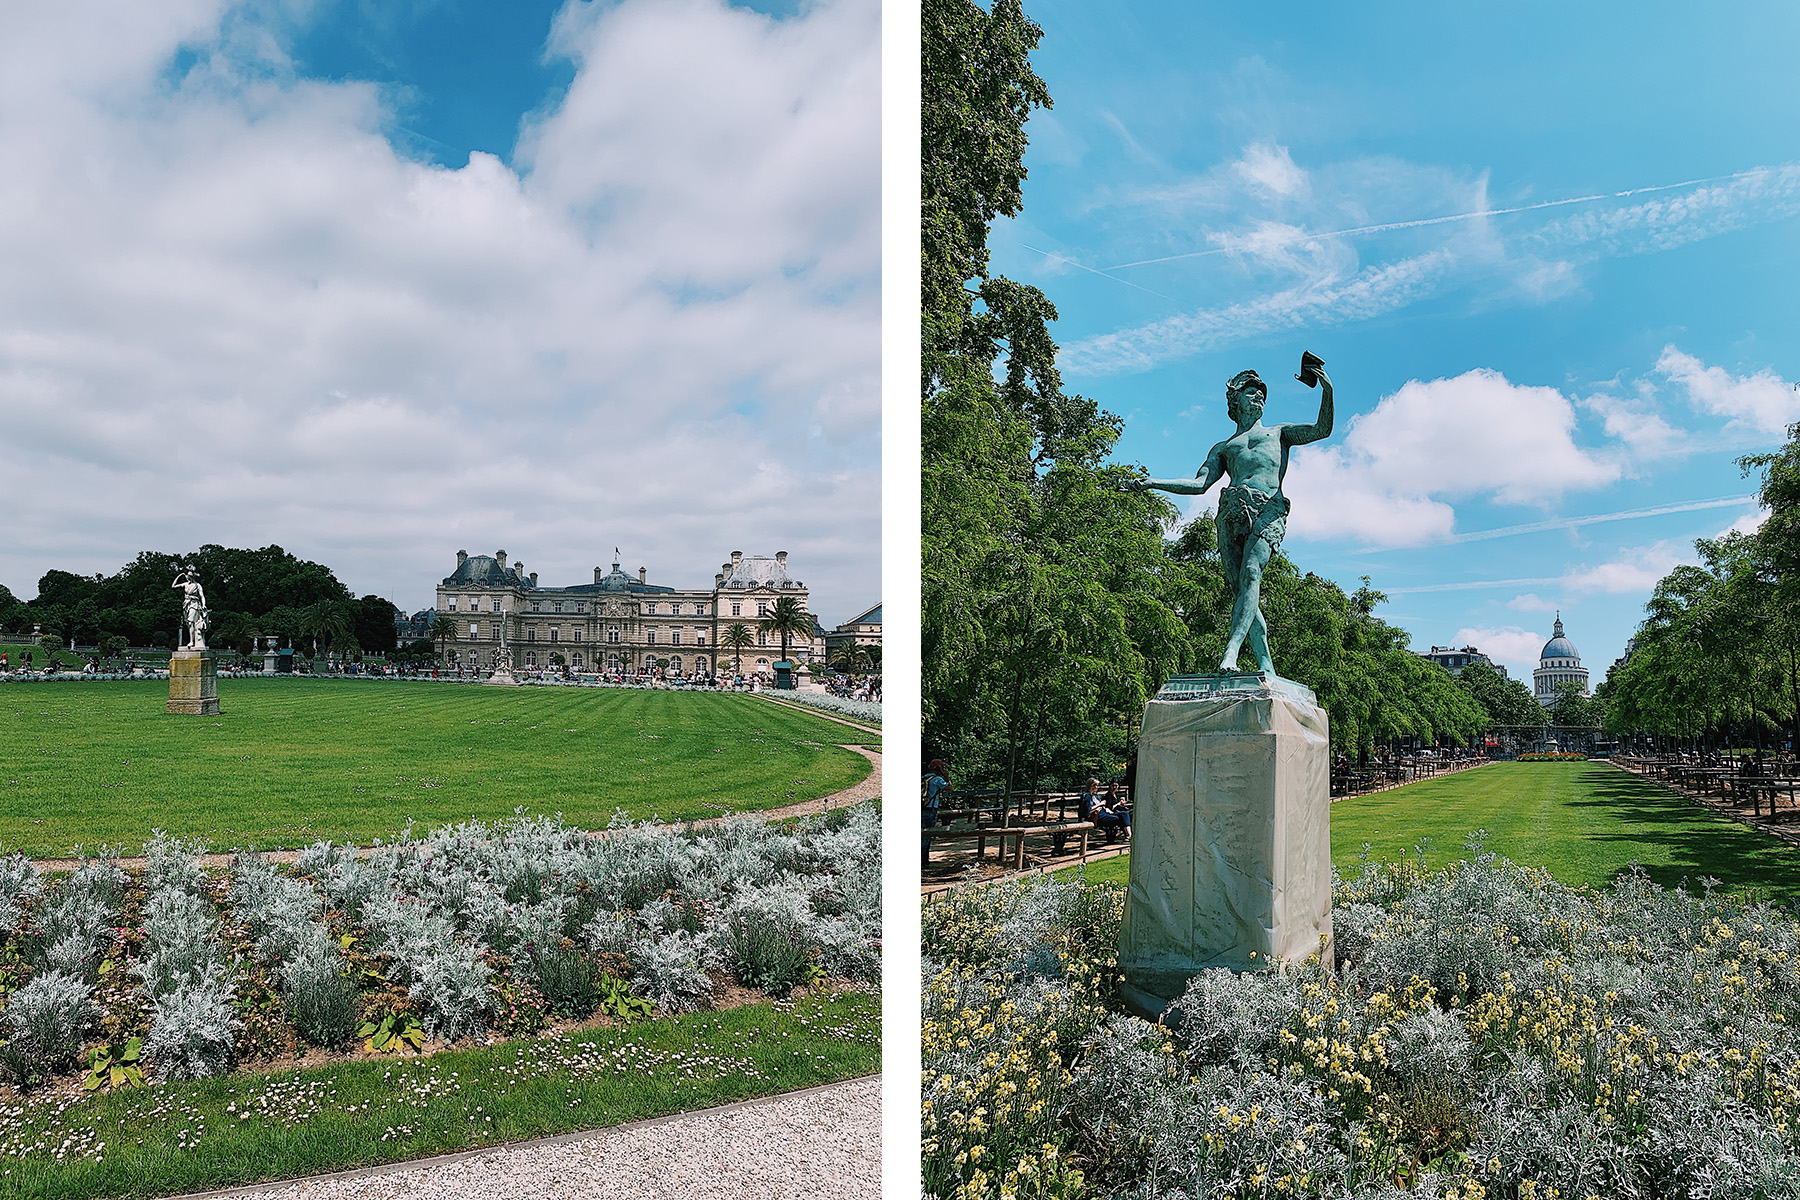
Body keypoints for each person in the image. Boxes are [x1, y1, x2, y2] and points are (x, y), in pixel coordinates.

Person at [1126, 361, 1333, 673]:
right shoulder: (1223, 448)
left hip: (1268, 511)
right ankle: (1266, 665)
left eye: (1261, 394)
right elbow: (1198, 485)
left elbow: (1321, 429)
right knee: (1242, 592)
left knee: (1252, 575)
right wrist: (1154, 483)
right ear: (1236, 401)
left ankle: (1231, 653)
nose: (1258, 398)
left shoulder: (1280, 434)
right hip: (1230, 514)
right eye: (1251, 393)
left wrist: (1327, 390)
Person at [1055, 778, 1103, 854]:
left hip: (1098, 814)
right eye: (1095, 785)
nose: (1097, 787)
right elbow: (1087, 811)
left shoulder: (1095, 795)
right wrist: (1100, 805)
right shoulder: (1087, 796)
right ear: (1090, 786)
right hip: (1090, 817)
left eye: (1097, 785)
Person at [922, 758, 951, 866]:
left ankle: (923, 860)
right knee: (926, 835)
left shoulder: (924, 778)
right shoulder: (937, 779)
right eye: (942, 767)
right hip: (930, 810)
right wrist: (947, 777)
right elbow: (949, 788)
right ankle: (923, 861)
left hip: (921, 808)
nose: (944, 769)